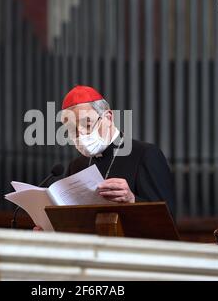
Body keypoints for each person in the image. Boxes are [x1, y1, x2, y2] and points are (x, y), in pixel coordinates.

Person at [34, 85, 175, 231]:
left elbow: (168, 221)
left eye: (86, 125)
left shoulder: (145, 154)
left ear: (108, 117)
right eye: (72, 129)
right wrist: (52, 230)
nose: (80, 134)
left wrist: (132, 200)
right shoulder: (76, 166)